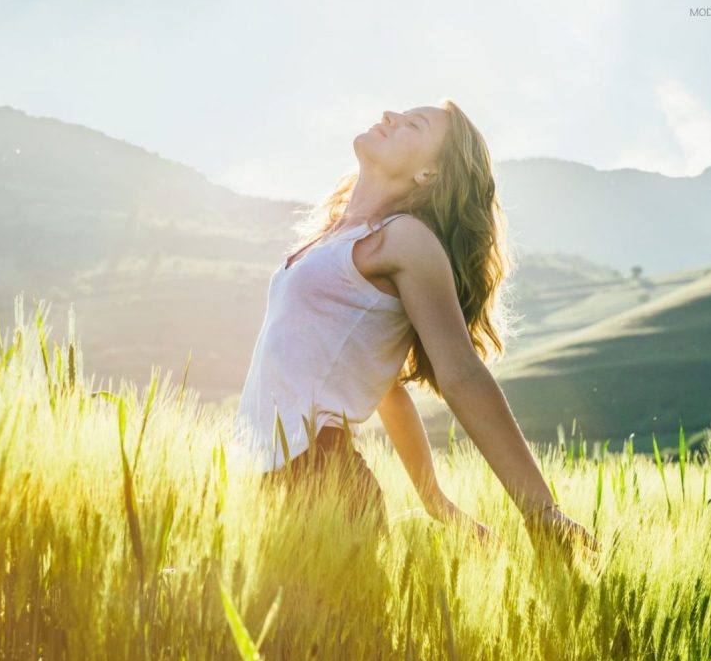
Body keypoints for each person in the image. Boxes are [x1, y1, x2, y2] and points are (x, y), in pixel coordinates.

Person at [230, 99, 600, 556]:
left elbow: (461, 372)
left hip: (317, 483)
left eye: (413, 125)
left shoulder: (403, 239)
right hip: (259, 479)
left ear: (430, 174)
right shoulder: (332, 236)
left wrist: (540, 510)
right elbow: (384, 387)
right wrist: (433, 498)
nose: (389, 116)